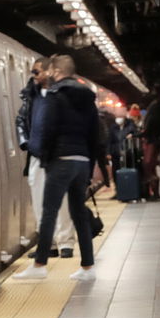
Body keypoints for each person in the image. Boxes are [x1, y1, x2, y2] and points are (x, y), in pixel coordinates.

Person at [15, 55, 99, 282]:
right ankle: (88, 267)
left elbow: (45, 130)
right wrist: (90, 167)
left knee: (49, 211)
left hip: (60, 159)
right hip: (81, 160)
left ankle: (40, 264)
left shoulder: (54, 96)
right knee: (78, 214)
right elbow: (95, 135)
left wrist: (41, 155)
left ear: (56, 71)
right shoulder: (88, 97)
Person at [18, 57, 75, 259]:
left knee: (61, 200)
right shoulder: (30, 95)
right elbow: (21, 120)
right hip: (36, 156)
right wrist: (26, 143)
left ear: (49, 72)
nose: (33, 76)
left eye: (36, 71)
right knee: (39, 201)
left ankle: (65, 242)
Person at [141, 89, 160, 201]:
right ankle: (155, 193)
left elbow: (147, 131)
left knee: (147, 166)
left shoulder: (153, 116)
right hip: (157, 144)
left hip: (151, 143)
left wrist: (136, 135)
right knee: (151, 167)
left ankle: (155, 193)